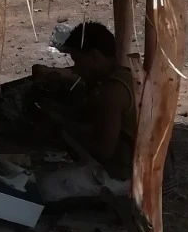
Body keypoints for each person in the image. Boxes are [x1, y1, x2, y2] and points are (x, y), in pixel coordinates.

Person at [30, 20, 136, 185]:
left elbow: (104, 151)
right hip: (133, 166)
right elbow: (89, 115)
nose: (76, 68)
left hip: (129, 177)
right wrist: (57, 110)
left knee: (44, 183)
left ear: (94, 56)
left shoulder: (113, 91)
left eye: (78, 61)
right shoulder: (124, 76)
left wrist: (63, 128)